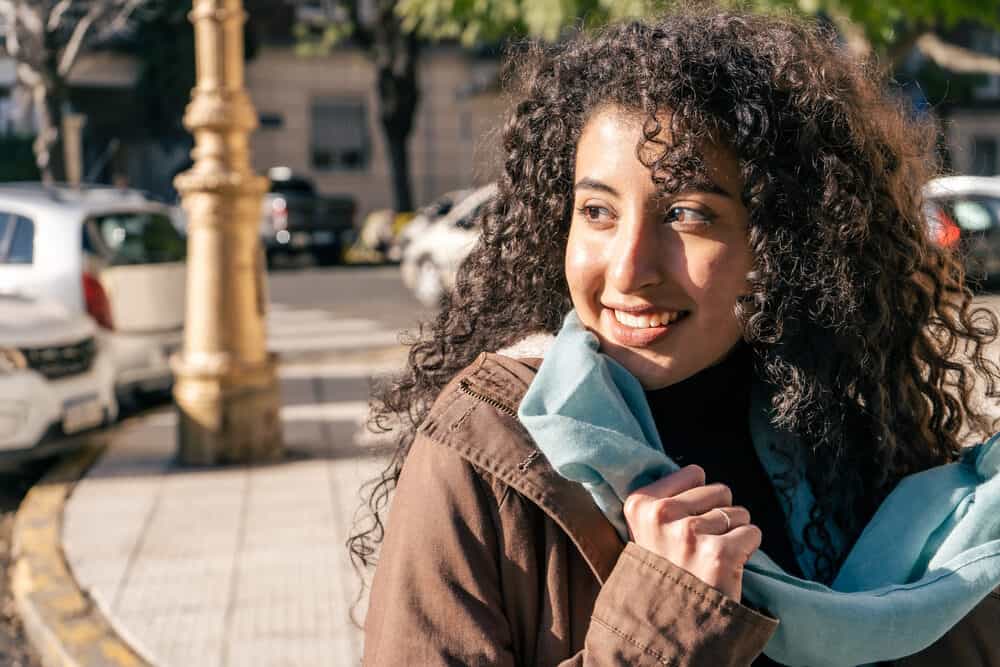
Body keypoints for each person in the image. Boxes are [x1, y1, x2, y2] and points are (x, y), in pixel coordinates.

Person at [354, 7, 1000, 666]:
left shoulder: (842, 429)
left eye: (688, 214)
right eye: (598, 211)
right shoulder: (483, 452)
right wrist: (660, 624)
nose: (630, 267)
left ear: (779, 244)